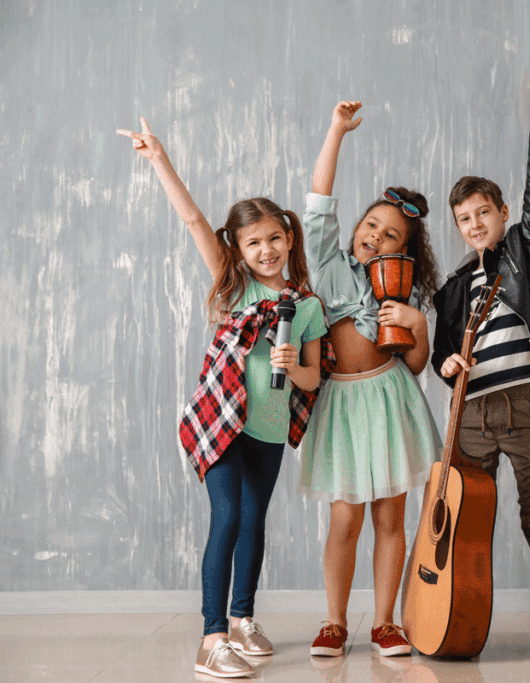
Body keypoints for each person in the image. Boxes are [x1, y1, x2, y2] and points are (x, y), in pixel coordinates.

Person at [118, 118, 330, 678]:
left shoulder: (305, 306)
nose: (266, 250)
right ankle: (211, 639)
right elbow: (191, 217)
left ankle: (241, 619)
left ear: (289, 238)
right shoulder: (233, 287)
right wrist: (159, 158)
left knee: (255, 521)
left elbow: (313, 378)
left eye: (275, 238)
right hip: (221, 423)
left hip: (266, 424)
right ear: (236, 248)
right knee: (229, 515)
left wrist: (293, 367)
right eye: (253, 241)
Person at [431, 59, 530, 658]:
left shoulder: (523, 250)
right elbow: (443, 354)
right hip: (470, 415)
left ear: (500, 216)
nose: (475, 225)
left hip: (522, 407)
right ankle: (456, 612)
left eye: (483, 214)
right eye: (464, 220)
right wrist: (446, 365)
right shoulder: (454, 289)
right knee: (466, 520)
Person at [300, 101, 442, 658]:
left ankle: (385, 622)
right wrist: (335, 130)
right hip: (342, 404)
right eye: (371, 226)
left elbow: (413, 365)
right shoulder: (331, 266)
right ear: (355, 227)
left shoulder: (398, 288)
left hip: (390, 400)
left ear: (403, 250)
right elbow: (317, 207)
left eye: (390, 236)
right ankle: (335, 621)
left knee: (392, 516)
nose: (376, 238)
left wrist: (417, 325)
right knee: (344, 520)